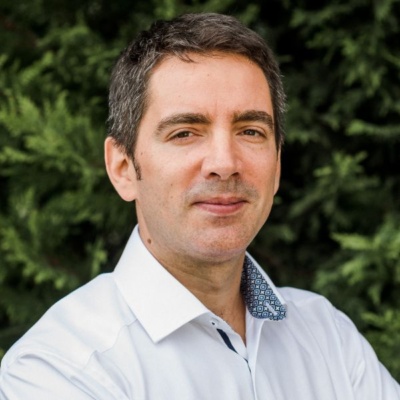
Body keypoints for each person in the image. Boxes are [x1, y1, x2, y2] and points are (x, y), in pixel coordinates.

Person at [0, 12, 399, 400]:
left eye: (250, 131)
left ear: (277, 166)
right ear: (123, 168)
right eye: (185, 133)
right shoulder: (60, 369)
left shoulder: (329, 336)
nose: (225, 162)